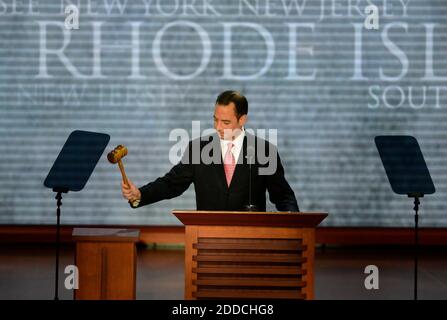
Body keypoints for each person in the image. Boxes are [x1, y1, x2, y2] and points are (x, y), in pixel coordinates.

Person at [121, 90, 299, 212]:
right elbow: (171, 184)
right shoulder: (199, 149)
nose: (218, 127)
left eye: (226, 122)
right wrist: (140, 194)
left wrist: (295, 226)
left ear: (242, 119)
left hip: (250, 241)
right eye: (215, 120)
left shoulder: (264, 151)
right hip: (207, 240)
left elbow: (283, 196)